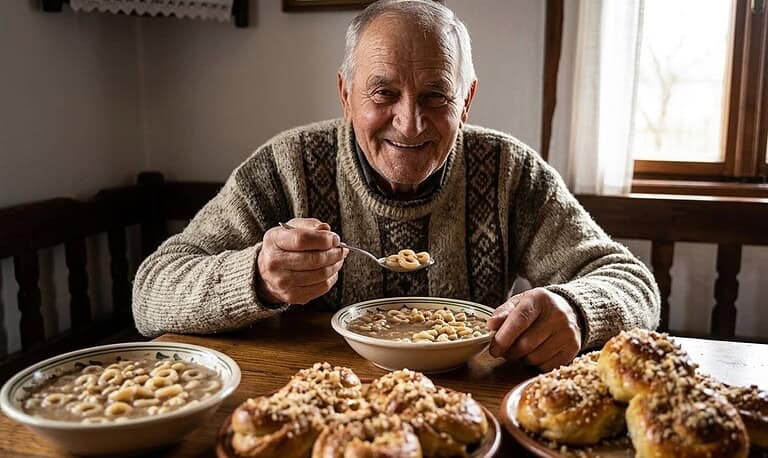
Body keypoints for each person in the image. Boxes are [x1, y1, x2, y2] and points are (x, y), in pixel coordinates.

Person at [132, 0, 660, 371]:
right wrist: (256, 276)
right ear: (345, 94)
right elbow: (151, 293)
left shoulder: (510, 172)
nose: (410, 124)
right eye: (383, 93)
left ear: (467, 100)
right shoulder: (285, 166)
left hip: (471, 409)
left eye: (436, 96)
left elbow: (631, 282)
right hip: (313, 407)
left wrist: (576, 310)